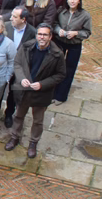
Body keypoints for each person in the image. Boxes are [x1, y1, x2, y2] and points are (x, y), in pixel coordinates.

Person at [5, 24, 66, 158]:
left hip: (41, 93)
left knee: (38, 121)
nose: (41, 37)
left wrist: (42, 84)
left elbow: (60, 75)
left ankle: (33, 143)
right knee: (18, 116)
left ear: (50, 37)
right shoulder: (27, 46)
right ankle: (14, 137)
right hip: (24, 89)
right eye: (40, 34)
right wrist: (21, 79)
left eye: (45, 34)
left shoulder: (57, 54)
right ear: (36, 35)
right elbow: (17, 63)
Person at [0, 7, 37, 128]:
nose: (11, 18)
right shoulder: (6, 26)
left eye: (15, 17)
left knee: (14, 92)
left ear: (23, 19)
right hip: (4, 65)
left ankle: (9, 114)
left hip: (20, 67)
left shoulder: (32, 32)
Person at [53, 0, 91, 104]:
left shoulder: (85, 15)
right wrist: (58, 30)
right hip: (60, 42)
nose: (72, 1)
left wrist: (76, 33)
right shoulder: (61, 11)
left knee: (69, 70)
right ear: (67, 0)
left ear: (79, 1)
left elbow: (87, 32)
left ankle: (61, 96)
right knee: (56, 68)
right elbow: (54, 24)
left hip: (74, 45)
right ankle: (52, 93)